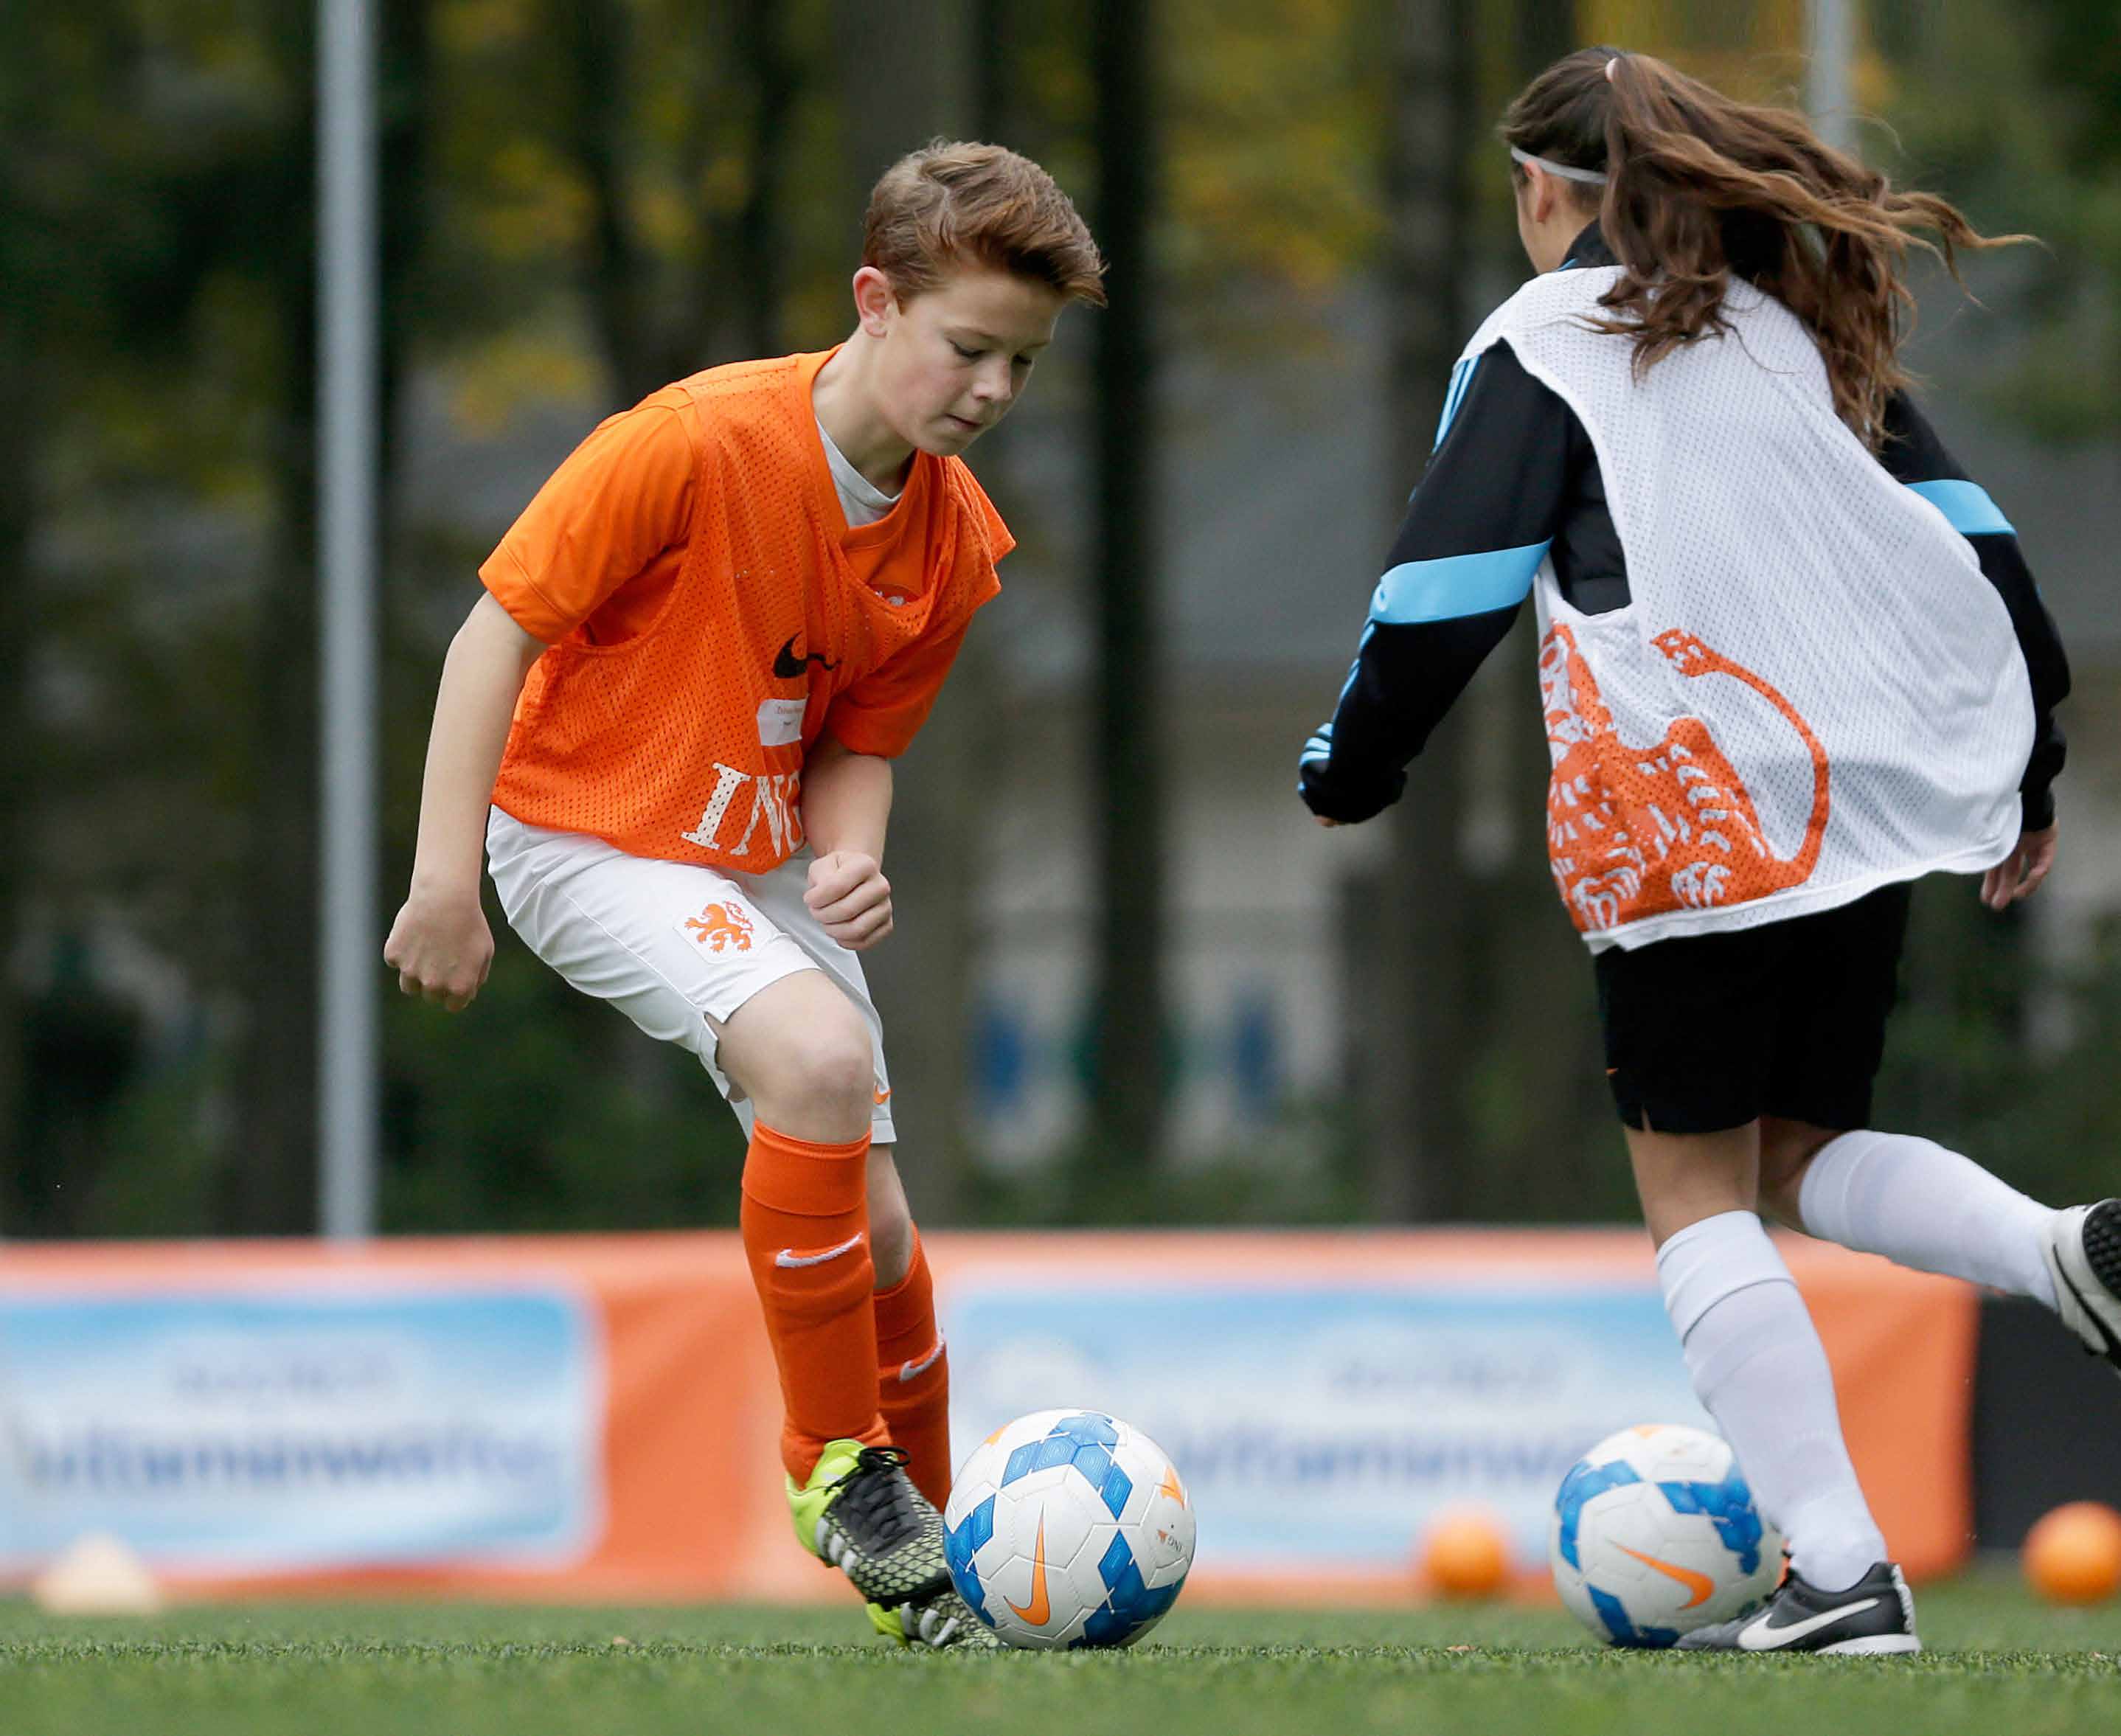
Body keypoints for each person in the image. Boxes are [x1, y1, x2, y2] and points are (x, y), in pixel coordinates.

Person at [1299, 46, 2114, 1655]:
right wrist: (2027, 764)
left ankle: (1838, 1572)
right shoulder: (1796, 335)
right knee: (1798, 1157)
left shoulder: (1545, 337)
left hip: (1684, 810)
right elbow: (1977, 545)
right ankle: (2061, 1252)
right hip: (1853, 805)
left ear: (1543, 194)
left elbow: (1444, 587)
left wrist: (1356, 757)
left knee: (1693, 1197)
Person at [383, 141, 1105, 1648]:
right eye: (969, 348)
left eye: (1021, 365)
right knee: (819, 1062)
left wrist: (849, 852)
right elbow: (489, 640)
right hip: (581, 829)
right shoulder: (693, 440)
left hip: (750, 858)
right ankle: (833, 1467)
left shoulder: (952, 535)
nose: (990, 392)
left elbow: (856, 738)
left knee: (889, 1241)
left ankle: (934, 1555)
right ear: (874, 301)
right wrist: (444, 881)